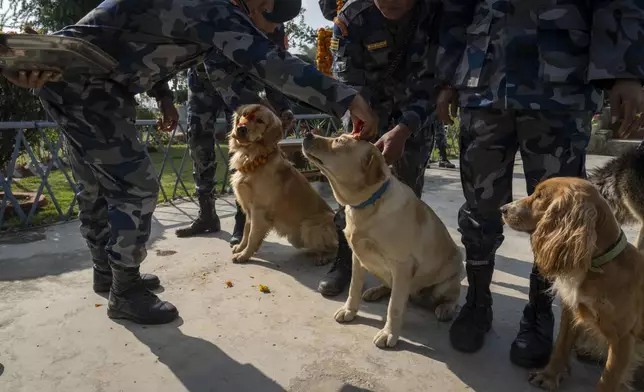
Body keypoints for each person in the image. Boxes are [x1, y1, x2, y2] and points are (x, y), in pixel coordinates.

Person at [2, 0, 377, 325]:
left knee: (96, 184)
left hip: (91, 83)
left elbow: (131, 43)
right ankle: (125, 292)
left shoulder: (203, 12)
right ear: (261, 3)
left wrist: (165, 98)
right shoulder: (214, 8)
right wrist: (342, 96)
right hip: (86, 85)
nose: (271, 27)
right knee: (135, 184)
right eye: (272, 18)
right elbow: (271, 64)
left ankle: (109, 274)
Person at [435, 0, 644, 367]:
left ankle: (539, 312)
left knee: (559, 217)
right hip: (483, 77)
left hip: (559, 81)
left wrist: (626, 71)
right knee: (481, 206)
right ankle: (478, 301)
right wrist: (447, 74)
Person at [317, 0, 439, 296]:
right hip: (367, 110)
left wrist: (406, 127)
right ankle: (345, 263)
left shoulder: (438, 11)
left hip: (416, 114)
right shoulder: (352, 17)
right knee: (351, 187)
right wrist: (361, 116)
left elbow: (439, 79)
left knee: (406, 194)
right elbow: (346, 78)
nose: (390, 2)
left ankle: (398, 271)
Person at [175, 23, 294, 242]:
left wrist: (282, 107)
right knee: (198, 142)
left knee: (248, 148)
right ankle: (207, 214)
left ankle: (243, 222)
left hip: (242, 86)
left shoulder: (270, 18)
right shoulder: (215, 11)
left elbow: (275, 70)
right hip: (203, 85)